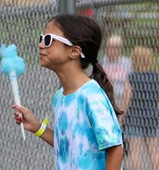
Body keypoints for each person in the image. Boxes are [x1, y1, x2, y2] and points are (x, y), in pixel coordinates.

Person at [13, 14, 123, 170]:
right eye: (41, 38)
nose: (41, 45)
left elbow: (115, 149)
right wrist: (37, 127)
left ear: (74, 51)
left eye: (48, 40)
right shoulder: (59, 97)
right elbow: (66, 144)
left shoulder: (91, 97)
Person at [123, 46, 159, 170]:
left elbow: (126, 99)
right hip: (152, 117)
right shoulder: (156, 76)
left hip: (134, 117)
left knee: (135, 152)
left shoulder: (132, 77)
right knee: (154, 152)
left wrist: (122, 118)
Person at [102, 35, 132, 115]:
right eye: (109, 47)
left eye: (115, 48)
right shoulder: (102, 61)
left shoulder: (126, 63)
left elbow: (128, 86)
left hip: (121, 101)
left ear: (120, 49)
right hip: (104, 100)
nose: (111, 50)